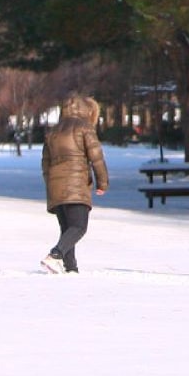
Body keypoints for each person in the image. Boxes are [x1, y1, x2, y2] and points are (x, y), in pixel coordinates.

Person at [39, 95, 107, 274]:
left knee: (67, 229)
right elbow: (96, 157)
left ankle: (71, 268)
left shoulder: (52, 132)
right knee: (78, 227)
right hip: (76, 185)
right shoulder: (85, 128)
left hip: (56, 186)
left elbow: (45, 163)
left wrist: (51, 183)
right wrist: (103, 182)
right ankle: (55, 255)